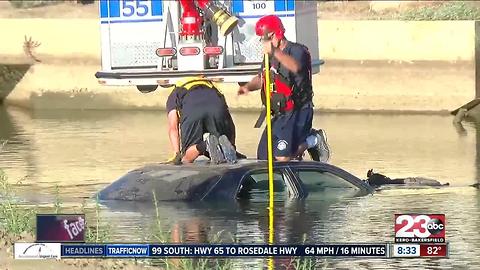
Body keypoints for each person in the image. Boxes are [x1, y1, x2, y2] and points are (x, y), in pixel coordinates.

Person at [237, 15, 330, 162]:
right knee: (264, 158)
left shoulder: (298, 51)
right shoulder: (269, 56)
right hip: (280, 114)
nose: (262, 42)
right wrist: (248, 87)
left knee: (282, 156)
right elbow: (263, 78)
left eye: (264, 38)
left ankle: (314, 140)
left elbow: (294, 67)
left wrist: (275, 52)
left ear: (275, 34)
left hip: (299, 111)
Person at [165, 76, 239, 164]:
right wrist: (232, 145)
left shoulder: (176, 92)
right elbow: (228, 120)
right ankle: (222, 150)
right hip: (215, 105)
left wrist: (177, 154)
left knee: (186, 158)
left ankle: (204, 145)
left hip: (192, 108)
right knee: (219, 143)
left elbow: (173, 127)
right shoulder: (213, 87)